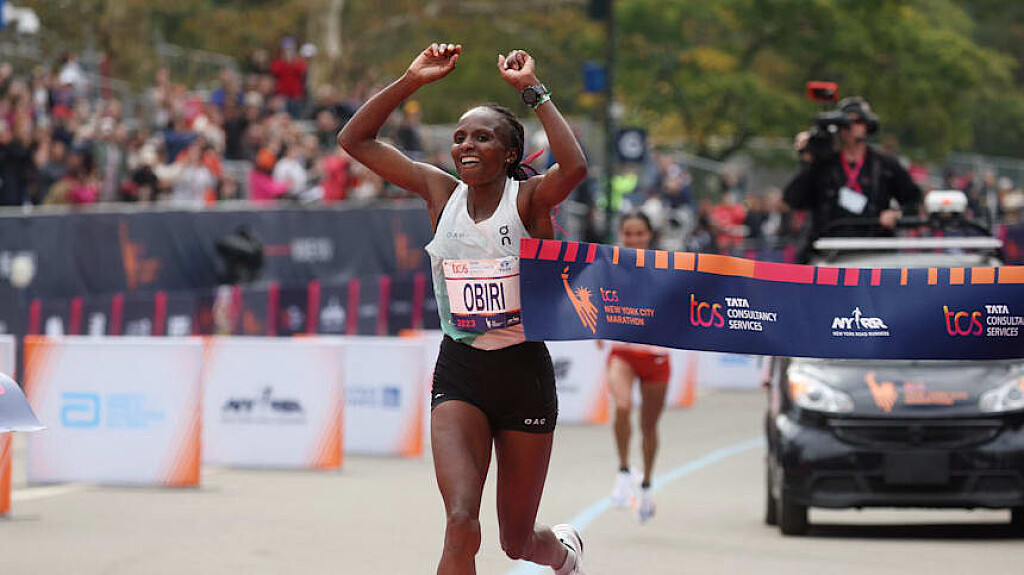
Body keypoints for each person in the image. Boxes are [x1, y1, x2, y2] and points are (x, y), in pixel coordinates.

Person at [339, 43, 588, 575]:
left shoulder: (529, 201)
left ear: (509, 153)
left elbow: (575, 166)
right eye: (458, 137)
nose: (466, 145)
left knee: (517, 541)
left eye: (482, 137)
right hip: (461, 373)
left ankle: (564, 556)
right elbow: (354, 140)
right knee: (459, 521)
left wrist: (532, 90)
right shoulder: (439, 192)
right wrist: (411, 79)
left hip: (523, 375)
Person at [601, 212, 670, 524]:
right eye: (628, 233)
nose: (633, 239)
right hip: (623, 353)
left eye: (639, 233)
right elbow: (592, 296)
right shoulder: (610, 266)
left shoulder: (666, 266)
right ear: (621, 235)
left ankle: (647, 486)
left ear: (649, 235)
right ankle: (623, 470)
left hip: (656, 357)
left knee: (648, 427)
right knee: (622, 406)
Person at [784, 97, 921, 252]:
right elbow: (793, 199)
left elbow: (913, 199)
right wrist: (810, 161)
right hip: (829, 248)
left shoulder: (884, 165)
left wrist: (897, 214)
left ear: (868, 125)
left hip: (873, 247)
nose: (851, 127)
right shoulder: (824, 165)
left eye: (858, 121)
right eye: (845, 123)